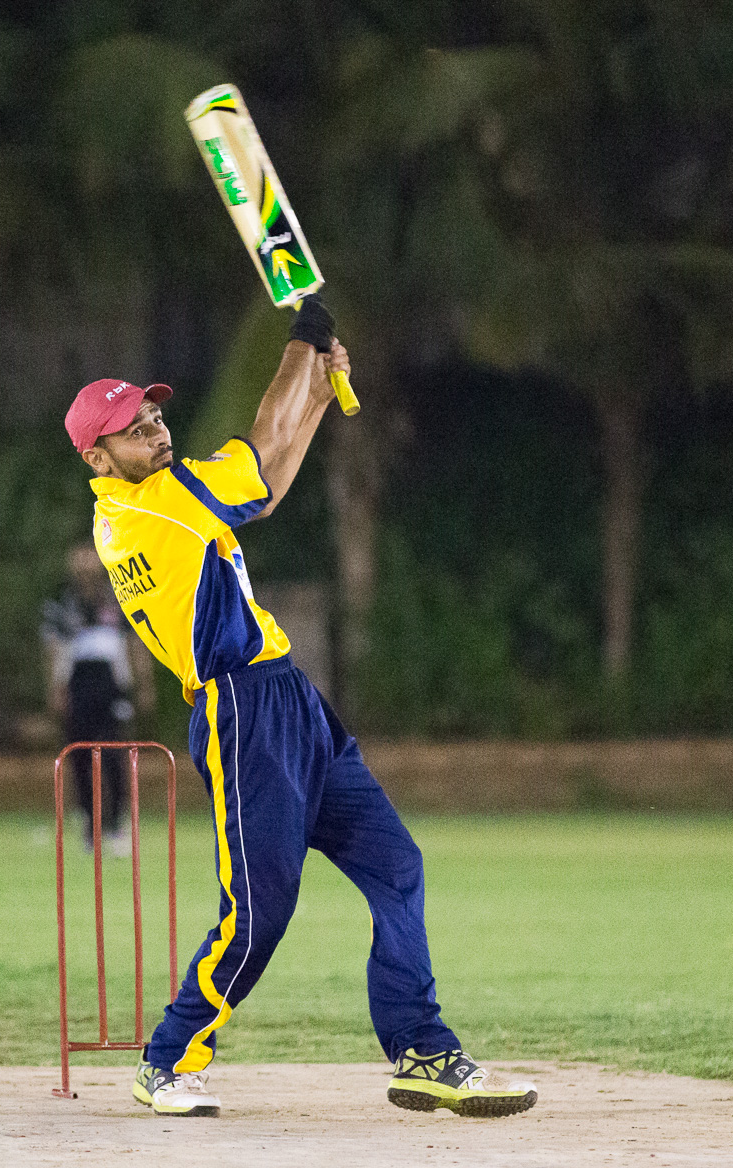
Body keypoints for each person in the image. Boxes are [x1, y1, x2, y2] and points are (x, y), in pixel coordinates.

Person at [63, 297, 537, 1119]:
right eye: (134, 432)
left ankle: (422, 1050)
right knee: (260, 914)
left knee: (397, 867)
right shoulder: (154, 506)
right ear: (98, 458)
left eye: (154, 418)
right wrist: (302, 342)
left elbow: (268, 484)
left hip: (290, 698)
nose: (157, 434)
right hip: (241, 711)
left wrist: (314, 396)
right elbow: (263, 447)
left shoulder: (162, 500)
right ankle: (167, 1061)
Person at [42, 542, 155, 854]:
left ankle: (116, 825)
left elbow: (135, 643)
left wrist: (144, 684)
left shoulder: (119, 596)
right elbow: (53, 650)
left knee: (114, 754)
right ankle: (90, 826)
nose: (85, 566)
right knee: (79, 755)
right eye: (79, 559)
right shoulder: (61, 603)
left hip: (111, 684)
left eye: (89, 559)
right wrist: (55, 689)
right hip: (77, 683)